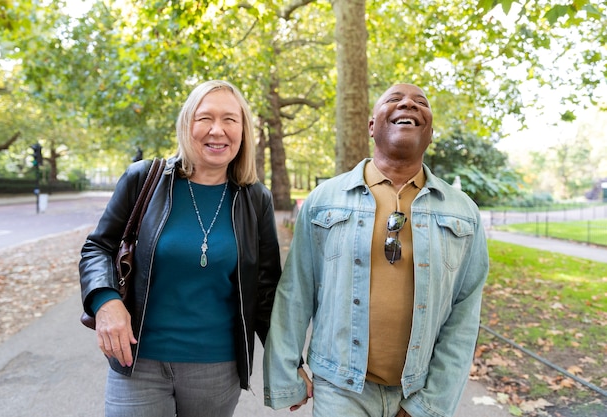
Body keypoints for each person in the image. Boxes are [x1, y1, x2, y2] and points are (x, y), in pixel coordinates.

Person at [263, 83, 489, 417]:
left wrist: (430, 404)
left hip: (419, 387)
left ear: (430, 132)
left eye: (420, 103)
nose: (409, 104)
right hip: (340, 388)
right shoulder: (324, 199)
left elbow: (465, 315)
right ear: (372, 126)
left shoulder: (463, 212)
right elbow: (295, 291)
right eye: (395, 99)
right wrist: (286, 370)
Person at [79, 80, 282, 417]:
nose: (217, 130)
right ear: (188, 124)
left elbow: (266, 290)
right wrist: (106, 301)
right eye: (205, 118)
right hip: (137, 360)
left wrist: (290, 360)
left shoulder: (255, 199)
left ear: (243, 131)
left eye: (230, 120)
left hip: (216, 369)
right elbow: (98, 247)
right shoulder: (144, 178)